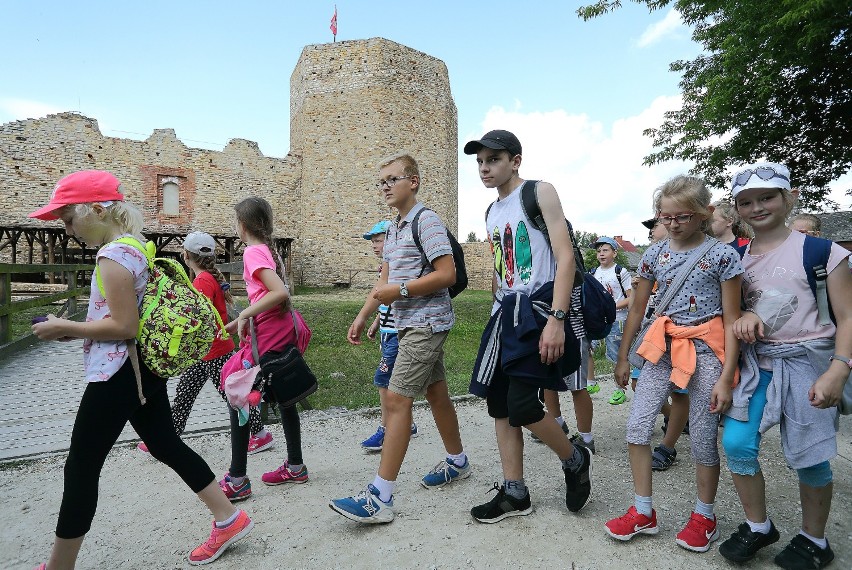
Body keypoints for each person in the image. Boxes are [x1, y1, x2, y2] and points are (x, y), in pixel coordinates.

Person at [28, 170, 252, 567]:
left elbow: (124, 327)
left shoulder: (112, 257)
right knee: (165, 443)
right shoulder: (136, 246)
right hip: (142, 368)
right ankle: (228, 517)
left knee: (80, 467)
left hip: (117, 373)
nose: (67, 229)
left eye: (67, 218)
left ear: (95, 210)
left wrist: (67, 326)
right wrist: (80, 330)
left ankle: (59, 566)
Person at [719, 162, 851, 568]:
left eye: (767, 197)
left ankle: (815, 539)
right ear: (737, 209)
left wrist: (838, 369)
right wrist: (742, 313)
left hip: (809, 363)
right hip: (759, 364)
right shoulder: (734, 257)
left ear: (789, 198)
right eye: (747, 201)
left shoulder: (822, 251)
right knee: (737, 442)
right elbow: (730, 308)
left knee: (810, 455)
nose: (758, 207)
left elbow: (847, 316)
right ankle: (759, 526)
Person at [329, 153, 470, 524]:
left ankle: (380, 496)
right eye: (382, 181)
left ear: (414, 181)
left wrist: (402, 291)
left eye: (393, 179)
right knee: (437, 394)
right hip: (405, 322)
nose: (386, 186)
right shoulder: (393, 229)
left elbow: (448, 274)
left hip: (427, 324)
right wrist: (363, 315)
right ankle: (458, 461)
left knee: (395, 399)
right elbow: (384, 281)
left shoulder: (427, 222)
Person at [606, 174, 742, 553]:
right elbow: (638, 307)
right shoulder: (653, 255)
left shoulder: (722, 256)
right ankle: (643, 510)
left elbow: (732, 318)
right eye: (665, 217)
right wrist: (623, 355)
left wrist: (727, 376)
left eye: (681, 216)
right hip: (662, 348)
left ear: (706, 213)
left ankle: (704, 514)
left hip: (704, 350)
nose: (672, 224)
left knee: (702, 436)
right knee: (636, 425)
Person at [464, 129, 592, 523]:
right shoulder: (489, 211)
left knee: (522, 404)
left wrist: (556, 319)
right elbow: (501, 270)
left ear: (515, 160)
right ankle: (515, 492)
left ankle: (573, 458)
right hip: (504, 316)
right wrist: (493, 311)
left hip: (539, 312)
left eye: (494, 159)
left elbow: (565, 258)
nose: (485, 168)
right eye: (481, 162)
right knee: (500, 406)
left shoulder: (539, 192)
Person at [137, 231, 275, 457]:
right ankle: (167, 439)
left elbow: (195, 316)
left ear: (186, 256)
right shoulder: (208, 279)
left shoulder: (202, 281)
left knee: (232, 395)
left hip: (215, 351)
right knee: (185, 392)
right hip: (205, 351)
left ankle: (260, 435)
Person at [218, 197, 308, 501]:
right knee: (283, 391)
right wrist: (245, 318)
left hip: (268, 331)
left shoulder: (253, 252)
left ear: (242, 226)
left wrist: (244, 314)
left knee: (236, 390)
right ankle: (295, 466)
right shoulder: (269, 250)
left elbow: (278, 292)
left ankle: (238, 479)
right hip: (280, 327)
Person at [356, 220, 419, 451]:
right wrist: (376, 322)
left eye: (378, 240)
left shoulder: (396, 266)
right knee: (394, 381)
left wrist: (366, 318)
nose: (374, 245)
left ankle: (386, 430)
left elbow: (391, 295)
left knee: (383, 381)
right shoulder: (385, 267)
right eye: (372, 241)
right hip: (387, 330)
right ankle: (407, 424)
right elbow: (385, 301)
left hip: (396, 333)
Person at [635, 218, 689, 471]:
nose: (652, 230)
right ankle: (673, 418)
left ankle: (668, 446)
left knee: (680, 392)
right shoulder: (652, 256)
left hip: (682, 338)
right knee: (638, 382)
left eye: (655, 224)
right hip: (652, 335)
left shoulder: (692, 253)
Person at [588, 237, 633, 405]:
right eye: (598, 251)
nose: (601, 254)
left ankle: (619, 389)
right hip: (596, 319)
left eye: (605, 250)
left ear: (614, 253)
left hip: (617, 319)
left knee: (615, 353)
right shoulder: (592, 273)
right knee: (587, 347)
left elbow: (630, 298)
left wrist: (611, 307)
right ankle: (591, 382)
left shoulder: (620, 272)